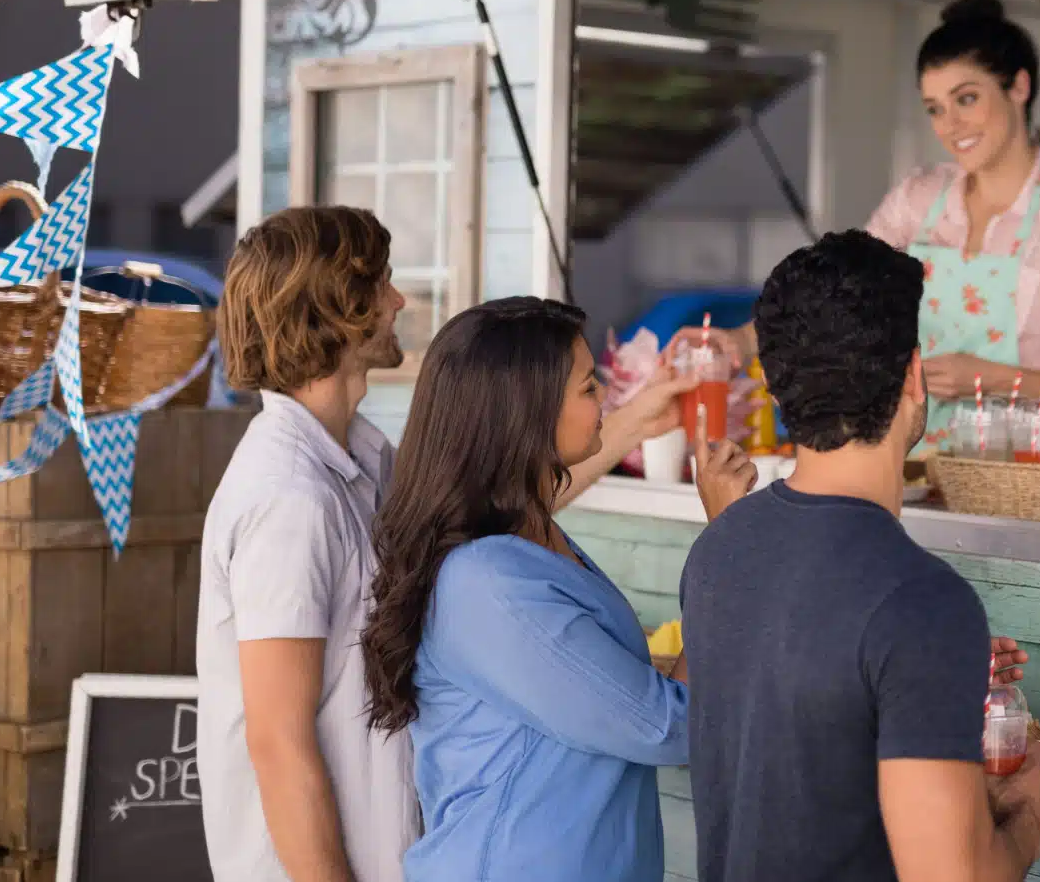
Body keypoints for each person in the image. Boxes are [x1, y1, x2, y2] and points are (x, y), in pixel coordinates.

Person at [199, 208, 692, 882]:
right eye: (382, 285)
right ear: (337, 312)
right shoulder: (290, 497)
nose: (400, 300)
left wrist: (631, 420)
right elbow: (278, 741)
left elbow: (500, 494)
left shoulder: (362, 459)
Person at [680, 230, 1040, 882]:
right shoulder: (922, 602)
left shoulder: (720, 548)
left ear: (781, 389)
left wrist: (929, 694)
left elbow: (804, 734)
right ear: (913, 377)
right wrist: (1022, 814)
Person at [359, 297, 757, 882]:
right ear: (527, 414)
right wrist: (728, 542)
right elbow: (667, 727)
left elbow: (630, 696)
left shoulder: (533, 540)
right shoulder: (489, 583)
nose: (605, 400)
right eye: (589, 387)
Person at [674, 0, 1040, 454]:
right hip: (910, 471)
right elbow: (834, 294)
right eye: (935, 108)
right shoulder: (918, 200)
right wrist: (740, 340)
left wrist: (990, 378)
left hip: (1021, 482)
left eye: (967, 99)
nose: (950, 125)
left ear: (1019, 87)